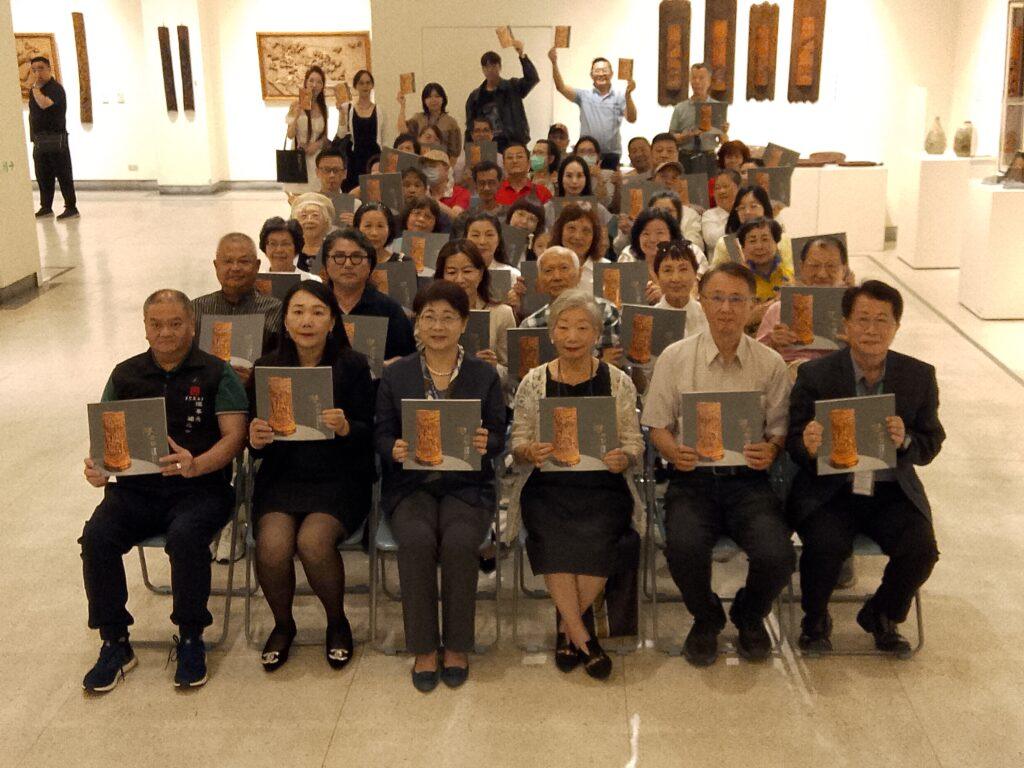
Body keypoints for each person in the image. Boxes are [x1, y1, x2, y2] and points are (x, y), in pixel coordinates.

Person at [80, 290, 247, 691]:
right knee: (97, 537)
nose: (166, 332)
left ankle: (190, 636)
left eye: (175, 324)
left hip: (201, 488)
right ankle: (114, 640)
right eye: (156, 324)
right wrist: (98, 467)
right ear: (145, 327)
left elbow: (235, 438)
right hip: (135, 491)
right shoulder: (125, 374)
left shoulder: (217, 373)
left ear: (192, 325)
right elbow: (105, 435)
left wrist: (197, 464)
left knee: (186, 538)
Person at [641, 263, 795, 666]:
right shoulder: (675, 357)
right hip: (692, 480)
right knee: (683, 549)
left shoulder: (770, 363)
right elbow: (657, 426)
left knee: (778, 555)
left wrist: (771, 449)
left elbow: (779, 429)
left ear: (753, 305)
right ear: (702, 301)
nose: (726, 308)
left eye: (737, 299)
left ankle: (749, 614)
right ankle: (706, 618)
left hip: (749, 482)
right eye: (717, 298)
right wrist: (673, 451)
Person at [786, 280, 943, 655]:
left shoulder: (918, 376)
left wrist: (905, 440)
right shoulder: (816, 375)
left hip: (890, 489)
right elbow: (792, 441)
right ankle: (815, 619)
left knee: (921, 548)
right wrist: (808, 445)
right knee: (824, 544)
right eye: (862, 319)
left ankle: (882, 614)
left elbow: (931, 442)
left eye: (881, 320)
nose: (871, 329)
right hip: (831, 489)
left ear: (896, 326)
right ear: (845, 325)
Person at [374, 280, 506, 691]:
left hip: (466, 485)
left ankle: (458, 645)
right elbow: (381, 433)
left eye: (448, 317)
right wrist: (392, 448)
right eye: (428, 317)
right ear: (417, 324)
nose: (437, 326)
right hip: (410, 485)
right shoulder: (397, 374)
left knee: (460, 542)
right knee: (415, 541)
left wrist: (487, 441)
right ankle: (424, 647)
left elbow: (499, 434)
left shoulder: (484, 375)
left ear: (464, 324)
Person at [510, 289, 644, 680]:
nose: (572, 336)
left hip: (604, 485)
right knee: (552, 535)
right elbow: (517, 443)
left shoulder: (617, 381)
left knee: (604, 535)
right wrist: (529, 451)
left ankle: (568, 630)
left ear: (597, 335)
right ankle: (584, 637)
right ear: (551, 333)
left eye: (582, 328)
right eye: (564, 327)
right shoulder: (534, 381)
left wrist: (625, 457)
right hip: (547, 485)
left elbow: (634, 441)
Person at [247, 281, 375, 671]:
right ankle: (283, 625)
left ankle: (337, 622)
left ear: (333, 322)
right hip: (282, 477)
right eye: (298, 312)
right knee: (272, 545)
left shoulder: (353, 366)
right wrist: (256, 437)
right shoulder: (265, 368)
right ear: (285, 321)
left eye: (318, 313)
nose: (307, 321)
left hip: (339, 477)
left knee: (313, 542)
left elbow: (372, 432)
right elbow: (255, 443)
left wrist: (347, 427)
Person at [192, 233, 283, 384]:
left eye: (244, 261)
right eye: (228, 261)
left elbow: (286, 364)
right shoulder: (195, 309)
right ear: (216, 265)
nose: (235, 268)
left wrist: (255, 379)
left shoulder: (277, 310)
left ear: (257, 266)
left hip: (257, 393)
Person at [322, 228, 416, 364]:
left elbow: (409, 359)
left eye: (356, 257)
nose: (348, 264)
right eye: (339, 256)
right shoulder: (316, 305)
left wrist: (392, 367)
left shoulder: (389, 309)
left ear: (370, 265)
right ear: (326, 263)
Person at [758, 236, 852, 364]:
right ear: (801, 267)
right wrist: (772, 344)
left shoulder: (857, 312)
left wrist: (859, 346)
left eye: (831, 266)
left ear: (844, 270)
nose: (822, 274)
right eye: (814, 266)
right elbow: (755, 360)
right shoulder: (777, 310)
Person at [435, 239, 516, 383]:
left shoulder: (502, 314)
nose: (459, 279)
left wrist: (493, 367)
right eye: (451, 272)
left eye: (467, 271)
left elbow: (513, 375)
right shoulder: (429, 315)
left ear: (481, 273)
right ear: (442, 276)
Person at [521, 246, 620, 350]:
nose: (557, 277)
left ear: (580, 273)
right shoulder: (531, 325)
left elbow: (613, 356)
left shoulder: (605, 311)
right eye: (548, 271)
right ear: (539, 279)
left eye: (564, 268)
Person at [549, 50, 637, 157]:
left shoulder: (620, 97)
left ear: (612, 74)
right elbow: (561, 87)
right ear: (591, 75)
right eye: (597, 71)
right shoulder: (583, 95)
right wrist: (554, 63)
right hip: (587, 152)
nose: (601, 74)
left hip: (611, 154)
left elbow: (632, 118)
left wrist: (628, 95)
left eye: (604, 70)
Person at [465, 42, 540, 151]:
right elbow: (470, 127)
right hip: (486, 145)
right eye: (486, 67)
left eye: (493, 66)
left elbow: (532, 79)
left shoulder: (513, 87)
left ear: (500, 67)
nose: (490, 70)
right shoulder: (475, 96)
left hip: (513, 141)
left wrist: (522, 55)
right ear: (482, 69)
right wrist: (469, 151)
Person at [27, 56, 77, 219]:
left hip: (56, 138)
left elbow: (44, 104)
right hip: (39, 140)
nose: (37, 73)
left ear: (49, 68)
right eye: (34, 70)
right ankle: (46, 207)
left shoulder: (55, 88)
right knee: (43, 175)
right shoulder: (33, 91)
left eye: (41, 68)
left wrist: (35, 88)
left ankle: (71, 207)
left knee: (63, 174)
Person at [710, 185, 794, 273]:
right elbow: (715, 275)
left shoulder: (782, 239)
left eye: (753, 206)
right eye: (742, 208)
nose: (747, 212)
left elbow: (792, 273)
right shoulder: (727, 244)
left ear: (765, 208)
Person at [732, 217, 794, 331]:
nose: (759, 246)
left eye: (765, 239)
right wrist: (777, 302)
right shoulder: (736, 281)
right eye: (752, 241)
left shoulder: (792, 276)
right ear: (743, 248)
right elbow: (739, 320)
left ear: (776, 244)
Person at [615, 188, 705, 266]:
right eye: (646, 233)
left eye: (660, 233)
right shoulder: (629, 255)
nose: (653, 239)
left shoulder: (693, 252)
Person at [336, 69, 386, 191]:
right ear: (355, 86)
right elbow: (341, 134)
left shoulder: (379, 110)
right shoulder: (348, 108)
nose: (365, 86)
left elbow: (383, 139)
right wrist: (341, 114)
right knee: (353, 193)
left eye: (368, 83)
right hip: (354, 160)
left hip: (374, 160)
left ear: (372, 85)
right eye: (361, 83)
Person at [285, 66, 330, 194]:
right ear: (305, 82)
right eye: (311, 80)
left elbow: (325, 137)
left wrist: (317, 145)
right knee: (299, 199)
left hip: (318, 159)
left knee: (318, 197)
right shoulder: (295, 104)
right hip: (300, 159)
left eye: (319, 82)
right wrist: (297, 114)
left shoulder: (323, 108)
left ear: (322, 86)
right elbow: (290, 135)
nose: (314, 85)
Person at [651, 240, 709, 336]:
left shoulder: (707, 315)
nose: (675, 278)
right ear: (657, 276)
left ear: (695, 274)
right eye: (667, 270)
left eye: (683, 269)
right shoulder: (650, 320)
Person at [550, 202, 607, 294]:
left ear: (594, 236)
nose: (578, 236)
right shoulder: (545, 265)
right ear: (560, 231)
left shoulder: (606, 269)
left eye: (586, 230)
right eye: (571, 228)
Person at [668, 63, 727, 152]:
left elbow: (723, 141)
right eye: (694, 78)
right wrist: (685, 136)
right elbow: (670, 138)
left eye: (701, 78)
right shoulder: (680, 108)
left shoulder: (717, 107)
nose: (697, 82)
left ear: (709, 81)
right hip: (685, 155)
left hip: (708, 155)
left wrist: (723, 132)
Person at [546, 156, 613, 232]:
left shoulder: (598, 209)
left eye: (579, 176)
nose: (574, 181)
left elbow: (614, 232)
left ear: (586, 179)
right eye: (569, 176)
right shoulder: (549, 208)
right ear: (561, 178)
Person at [396, 82, 462, 159]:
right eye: (429, 97)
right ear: (424, 101)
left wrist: (446, 166)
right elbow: (402, 130)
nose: (433, 100)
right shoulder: (418, 118)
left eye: (437, 96)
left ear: (443, 99)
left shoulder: (451, 122)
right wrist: (402, 106)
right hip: (419, 162)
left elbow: (454, 153)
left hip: (441, 162)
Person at [258, 216, 321, 282]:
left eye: (285, 244)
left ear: (296, 247)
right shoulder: (257, 281)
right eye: (273, 243)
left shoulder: (311, 280)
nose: (279, 250)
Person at [464, 210, 521, 278]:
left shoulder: (512, 275)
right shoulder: (455, 273)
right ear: (465, 239)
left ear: (498, 240)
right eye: (475, 235)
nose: (482, 241)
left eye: (489, 235)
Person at [290, 193, 336, 272]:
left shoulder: (335, 249)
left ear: (326, 221)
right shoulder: (290, 250)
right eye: (304, 216)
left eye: (315, 215)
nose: (309, 220)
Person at [701, 169, 741, 254]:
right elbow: (711, 240)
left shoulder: (748, 212)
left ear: (738, 188)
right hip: (722, 261)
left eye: (725, 186)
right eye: (717, 188)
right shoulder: (709, 214)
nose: (721, 191)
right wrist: (735, 218)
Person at [421, 148, 470, 217]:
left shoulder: (461, 193)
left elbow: (456, 217)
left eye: (432, 166)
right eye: (425, 167)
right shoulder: (421, 192)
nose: (428, 170)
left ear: (446, 169)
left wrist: (429, 199)